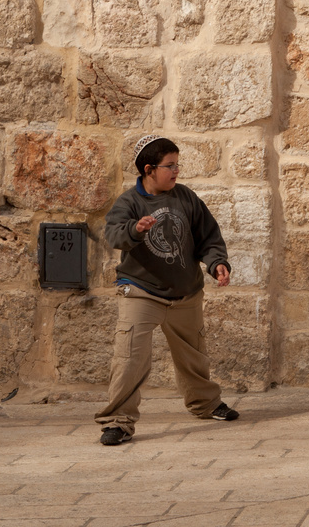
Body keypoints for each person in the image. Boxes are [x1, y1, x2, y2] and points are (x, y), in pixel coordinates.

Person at [96, 134, 240, 445]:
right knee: (129, 358)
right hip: (140, 291)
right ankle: (118, 423)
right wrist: (136, 229)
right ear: (149, 169)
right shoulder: (129, 202)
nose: (176, 171)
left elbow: (208, 237)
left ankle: (206, 404)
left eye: (177, 164)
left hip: (185, 292)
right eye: (169, 166)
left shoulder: (185, 198)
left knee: (193, 356)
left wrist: (217, 264)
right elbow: (114, 235)